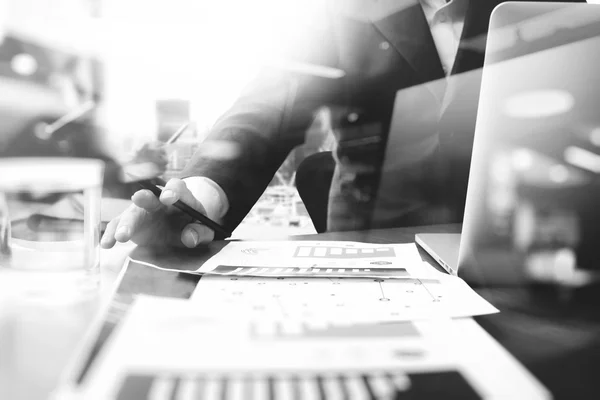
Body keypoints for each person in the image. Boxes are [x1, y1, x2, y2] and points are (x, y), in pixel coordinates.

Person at [100, 0, 585, 250]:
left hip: (511, 243)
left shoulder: (547, 7)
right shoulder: (337, 11)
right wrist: (207, 188)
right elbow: (270, 103)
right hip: (370, 242)